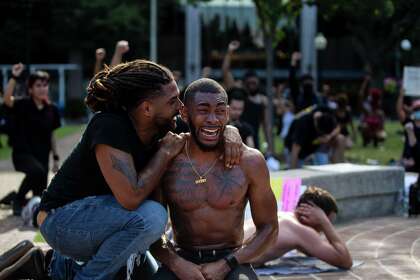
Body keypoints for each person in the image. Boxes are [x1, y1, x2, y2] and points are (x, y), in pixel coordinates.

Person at [32, 60, 242, 280]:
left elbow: (206, 128)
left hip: (102, 222)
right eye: (173, 101)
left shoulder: (165, 124)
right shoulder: (109, 126)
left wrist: (230, 132)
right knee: (152, 216)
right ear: (147, 108)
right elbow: (130, 198)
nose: (180, 106)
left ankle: (54, 266)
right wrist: (164, 154)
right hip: (61, 221)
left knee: (146, 272)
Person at [150, 78, 278, 280]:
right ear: (184, 113)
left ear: (227, 113)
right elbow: (151, 229)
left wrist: (228, 264)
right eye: (203, 110)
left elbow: (270, 228)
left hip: (231, 257)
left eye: (219, 111)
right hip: (182, 256)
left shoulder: (250, 161)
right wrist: (177, 263)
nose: (212, 119)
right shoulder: (167, 158)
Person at [244, 186, 353, 270]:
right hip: (232, 262)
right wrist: (324, 221)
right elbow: (345, 261)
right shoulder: (299, 229)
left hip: (229, 251)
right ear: (312, 214)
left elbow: (312, 251)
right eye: (326, 222)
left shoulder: (281, 216)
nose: (321, 231)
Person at [3, 63, 61, 216]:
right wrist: (14, 77)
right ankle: (18, 200)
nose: (42, 88)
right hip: (23, 154)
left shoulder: (52, 109)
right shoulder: (23, 104)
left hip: (42, 157)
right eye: (38, 85)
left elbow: (52, 135)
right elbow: (7, 99)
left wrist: (55, 158)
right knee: (36, 172)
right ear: (30, 89)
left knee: (39, 195)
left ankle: (14, 197)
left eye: (45, 85)